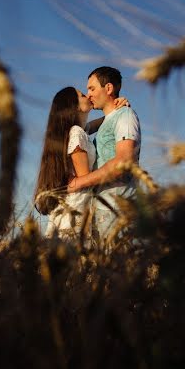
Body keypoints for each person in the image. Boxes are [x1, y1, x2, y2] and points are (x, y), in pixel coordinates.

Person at [33, 86, 130, 239]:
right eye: (83, 95)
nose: (89, 96)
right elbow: (85, 178)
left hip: (70, 206)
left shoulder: (77, 131)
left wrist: (115, 109)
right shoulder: (77, 133)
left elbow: (94, 125)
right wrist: (110, 169)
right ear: (75, 106)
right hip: (77, 207)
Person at [67, 66, 141, 244]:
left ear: (108, 88)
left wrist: (78, 183)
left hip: (118, 209)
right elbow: (79, 130)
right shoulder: (107, 121)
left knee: (120, 269)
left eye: (92, 89)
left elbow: (123, 162)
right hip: (101, 211)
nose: (89, 94)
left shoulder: (125, 115)